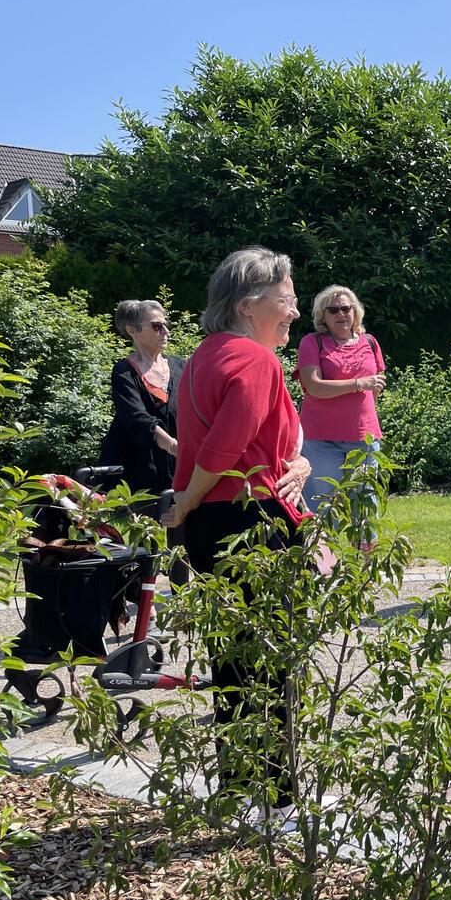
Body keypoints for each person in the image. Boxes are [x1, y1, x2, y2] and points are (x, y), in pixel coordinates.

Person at [164, 246, 311, 808]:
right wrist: (188, 500)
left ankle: (239, 783)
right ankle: (274, 795)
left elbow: (278, 441)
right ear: (250, 305)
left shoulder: (205, 355)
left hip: (220, 520)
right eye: (288, 299)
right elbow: (224, 450)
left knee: (232, 655)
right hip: (248, 521)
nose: (295, 312)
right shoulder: (254, 360)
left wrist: (295, 465)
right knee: (269, 659)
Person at [100, 299, 189, 583]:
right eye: (156, 325)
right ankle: (143, 603)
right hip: (140, 462)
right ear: (133, 331)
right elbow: (136, 417)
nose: (165, 331)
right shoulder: (124, 371)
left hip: (178, 462)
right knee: (146, 535)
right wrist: (171, 444)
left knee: (181, 533)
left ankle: (181, 602)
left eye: (166, 324)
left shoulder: (180, 366)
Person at [295, 285, 386, 533]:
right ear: (322, 316)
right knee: (323, 508)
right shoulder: (312, 342)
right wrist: (358, 384)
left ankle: (367, 568)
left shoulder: (370, 342)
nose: (341, 314)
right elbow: (314, 387)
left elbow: (376, 387)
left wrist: (369, 421)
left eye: (346, 308)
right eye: (333, 310)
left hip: (364, 440)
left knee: (366, 508)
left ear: (355, 312)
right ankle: (323, 568)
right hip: (320, 439)